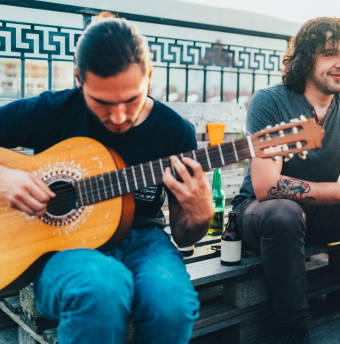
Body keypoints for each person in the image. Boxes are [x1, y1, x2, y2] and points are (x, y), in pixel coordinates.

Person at [0, 17, 213, 343]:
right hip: (61, 251)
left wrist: (200, 215)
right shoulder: (53, 111)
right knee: (99, 287)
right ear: (78, 80)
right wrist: (4, 177)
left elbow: (185, 237)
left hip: (143, 240)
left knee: (170, 303)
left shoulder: (174, 132)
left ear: (149, 78)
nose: (118, 117)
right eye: (102, 102)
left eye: (131, 99)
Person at [231, 17, 340, 344]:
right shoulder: (270, 101)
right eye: (329, 54)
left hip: (318, 214)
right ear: (305, 57)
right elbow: (266, 186)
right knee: (284, 212)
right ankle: (292, 333)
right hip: (263, 215)